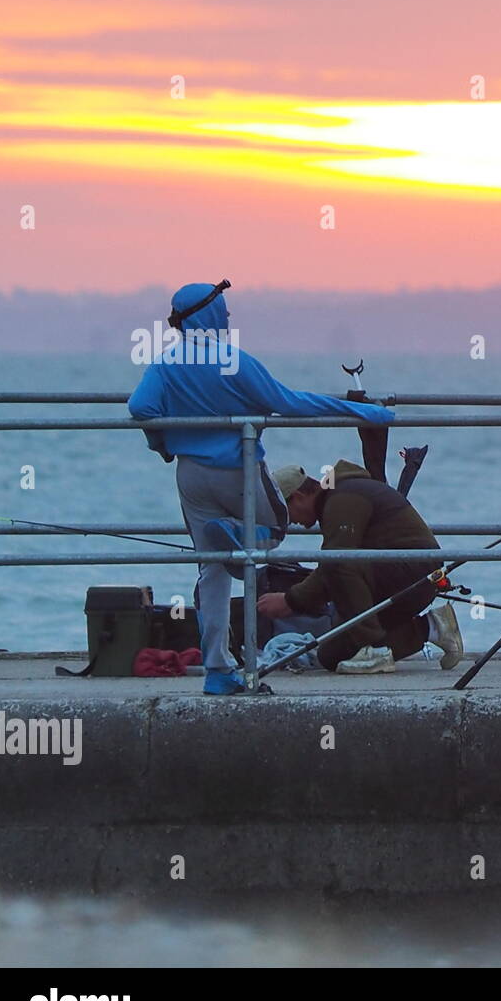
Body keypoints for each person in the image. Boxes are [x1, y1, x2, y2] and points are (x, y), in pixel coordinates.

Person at [127, 280, 395, 695]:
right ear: (212, 316)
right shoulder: (235, 362)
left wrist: (163, 443)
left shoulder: (163, 364)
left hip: (190, 475)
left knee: (211, 571)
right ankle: (240, 535)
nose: (229, 318)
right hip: (237, 470)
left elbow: (141, 408)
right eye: (226, 312)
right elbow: (291, 403)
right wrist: (362, 411)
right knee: (275, 529)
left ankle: (217, 670)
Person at [256, 460, 463, 673]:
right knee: (332, 655)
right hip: (393, 577)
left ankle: (373, 651)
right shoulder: (333, 500)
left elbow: (336, 562)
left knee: (338, 561)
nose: (288, 522)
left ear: (299, 497)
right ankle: (433, 627)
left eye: (285, 513)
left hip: (415, 574)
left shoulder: (343, 497)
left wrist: (291, 600)